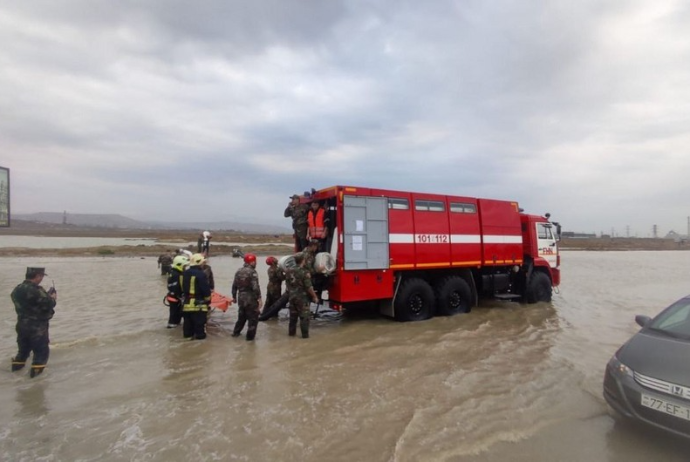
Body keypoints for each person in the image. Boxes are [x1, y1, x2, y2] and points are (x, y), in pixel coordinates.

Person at [10, 267, 57, 378]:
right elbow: (49, 304)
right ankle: (34, 384)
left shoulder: (16, 290)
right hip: (37, 328)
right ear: (37, 276)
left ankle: (15, 374)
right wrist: (53, 298)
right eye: (41, 276)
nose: (41, 279)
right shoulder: (37, 290)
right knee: (40, 355)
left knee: (22, 353)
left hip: (21, 326)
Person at [231, 253, 263, 341]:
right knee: (253, 320)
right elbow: (255, 287)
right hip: (250, 299)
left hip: (241, 298)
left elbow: (234, 285)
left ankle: (235, 333)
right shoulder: (252, 272)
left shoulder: (238, 271)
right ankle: (250, 341)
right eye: (255, 262)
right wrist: (259, 298)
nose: (256, 263)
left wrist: (234, 296)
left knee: (241, 318)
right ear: (252, 262)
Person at [285, 253, 318, 338]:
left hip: (292, 297)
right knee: (304, 318)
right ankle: (305, 337)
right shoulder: (304, 272)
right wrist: (314, 296)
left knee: (293, 318)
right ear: (303, 260)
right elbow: (309, 287)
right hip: (302, 298)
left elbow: (287, 284)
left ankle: (291, 335)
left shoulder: (288, 270)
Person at [181, 253, 212, 340]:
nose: (203, 264)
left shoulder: (185, 273)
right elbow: (205, 290)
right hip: (198, 305)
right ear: (199, 263)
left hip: (186, 304)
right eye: (202, 263)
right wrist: (208, 300)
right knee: (200, 332)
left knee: (187, 329)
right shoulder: (201, 274)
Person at [166, 255, 188, 328]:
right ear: (179, 265)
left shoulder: (174, 273)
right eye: (184, 266)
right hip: (175, 299)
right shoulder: (176, 275)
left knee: (175, 316)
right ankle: (172, 329)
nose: (185, 268)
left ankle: (174, 328)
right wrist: (181, 296)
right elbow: (176, 288)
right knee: (174, 317)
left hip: (173, 298)